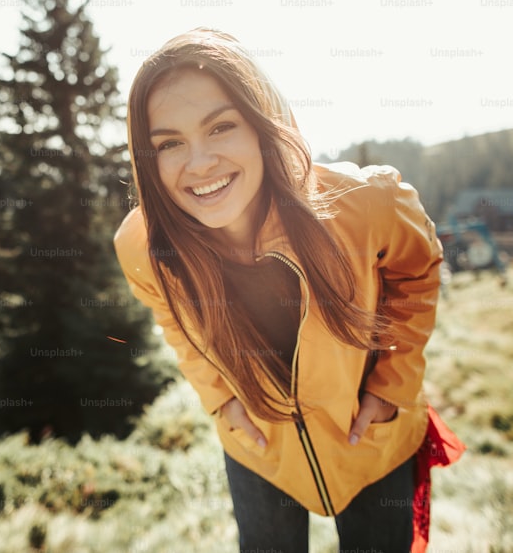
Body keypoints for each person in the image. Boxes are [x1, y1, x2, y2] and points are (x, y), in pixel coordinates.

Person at [113, 28, 464, 553]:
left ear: (261, 125)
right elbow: (173, 321)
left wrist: (392, 384)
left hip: (371, 439)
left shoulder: (366, 203)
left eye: (221, 126)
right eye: (169, 143)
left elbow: (418, 272)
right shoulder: (144, 245)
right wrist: (223, 400)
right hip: (259, 449)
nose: (199, 162)